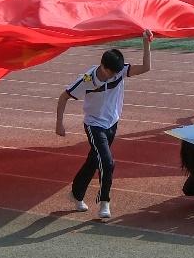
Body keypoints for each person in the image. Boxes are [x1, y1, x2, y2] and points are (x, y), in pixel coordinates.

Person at [55, 32, 153, 220]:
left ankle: (76, 193)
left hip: (112, 123)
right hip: (94, 125)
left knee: (94, 161)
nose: (114, 76)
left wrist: (146, 42)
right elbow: (63, 97)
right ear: (103, 66)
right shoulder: (87, 80)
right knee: (107, 163)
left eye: (117, 73)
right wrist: (59, 123)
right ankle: (104, 202)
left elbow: (146, 68)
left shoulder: (120, 71)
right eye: (111, 73)